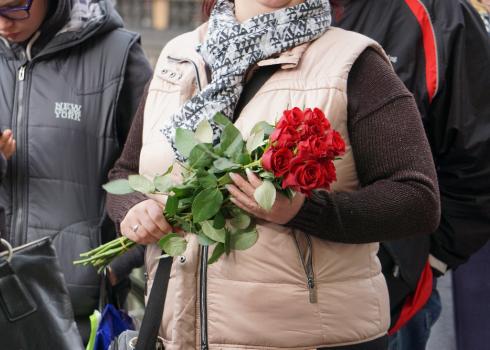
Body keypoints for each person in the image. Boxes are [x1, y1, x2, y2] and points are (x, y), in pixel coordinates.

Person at [106, 0, 441, 349]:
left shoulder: (354, 63)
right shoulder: (178, 57)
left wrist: (302, 212)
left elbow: (417, 199)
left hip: (311, 340)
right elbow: (126, 172)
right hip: (177, 335)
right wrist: (133, 209)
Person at [330, 1, 490, 349]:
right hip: (265, 302)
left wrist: (429, 262)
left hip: (390, 299)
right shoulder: (258, 11)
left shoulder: (438, 15)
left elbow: (478, 155)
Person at [0, 0, 152, 342]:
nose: (3, 23)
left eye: (14, 8)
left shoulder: (117, 55)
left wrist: (117, 265)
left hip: (77, 311)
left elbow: (159, 172)